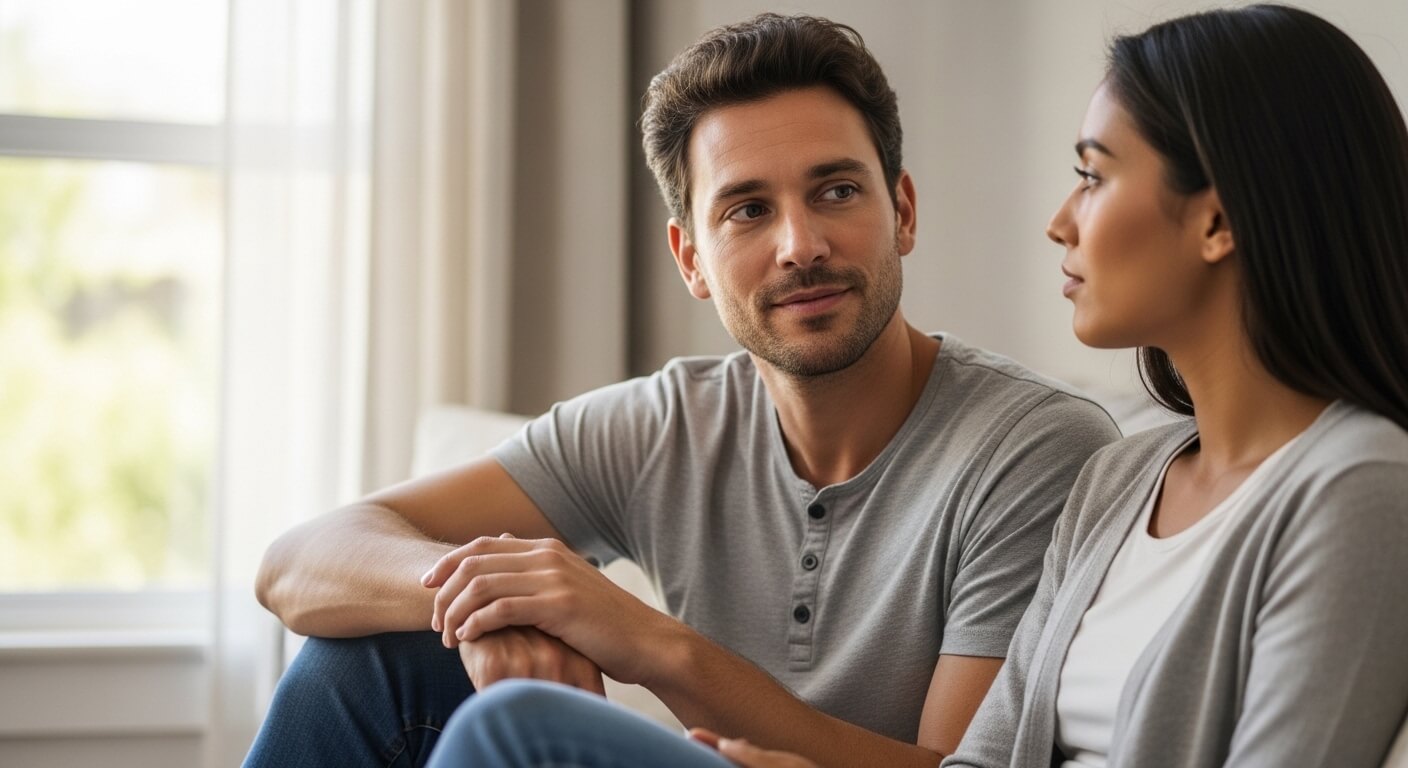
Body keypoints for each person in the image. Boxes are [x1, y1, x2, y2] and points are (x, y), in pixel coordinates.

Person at [245, 13, 1118, 768]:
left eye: (837, 190)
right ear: (691, 259)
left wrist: (644, 640)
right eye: (747, 210)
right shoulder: (663, 425)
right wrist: (489, 601)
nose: (800, 244)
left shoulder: (1035, 446)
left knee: (515, 721)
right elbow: (299, 561)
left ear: (904, 212)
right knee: (369, 669)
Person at [944, 5, 1408, 767]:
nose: (1060, 222)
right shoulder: (1116, 478)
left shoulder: (1360, 487)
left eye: (1093, 176)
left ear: (1218, 221)